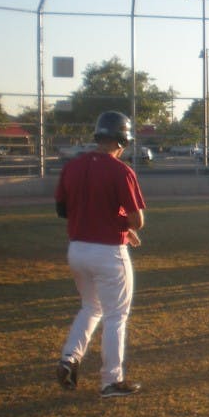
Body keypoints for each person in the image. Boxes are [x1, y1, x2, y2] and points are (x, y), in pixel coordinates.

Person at [54, 110, 146, 398]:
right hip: (108, 252)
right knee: (116, 316)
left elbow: (62, 209)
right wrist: (121, 225)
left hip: (77, 249)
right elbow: (137, 219)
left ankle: (70, 358)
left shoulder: (73, 166)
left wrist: (105, 220)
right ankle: (110, 380)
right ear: (122, 139)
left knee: (90, 307)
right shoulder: (120, 170)